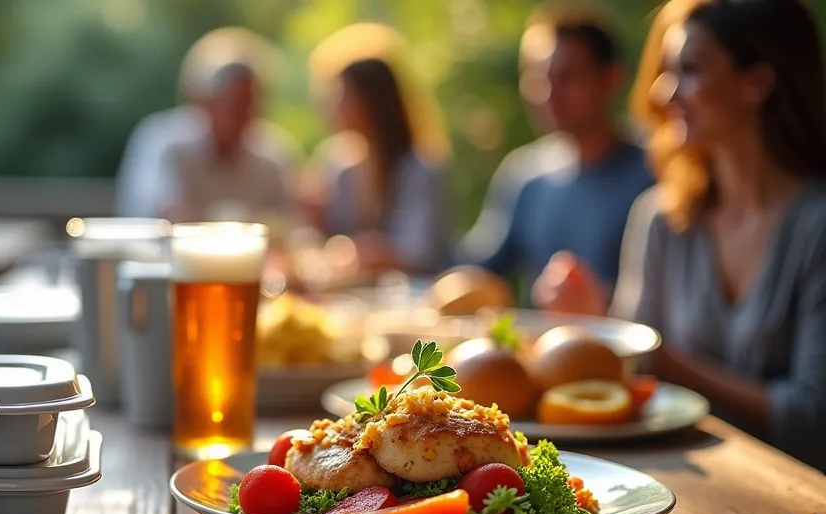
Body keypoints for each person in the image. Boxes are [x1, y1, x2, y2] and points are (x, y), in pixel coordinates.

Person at [533, 0, 826, 464]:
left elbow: (813, 419)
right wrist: (595, 319)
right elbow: (629, 381)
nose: (661, 94)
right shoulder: (661, 218)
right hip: (679, 484)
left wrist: (667, 361)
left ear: (758, 81)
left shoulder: (816, 228)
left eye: (688, 69)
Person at [456, 3, 655, 302]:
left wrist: (601, 302)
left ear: (610, 78)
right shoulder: (525, 175)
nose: (549, 94)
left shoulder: (653, 173)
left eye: (568, 76)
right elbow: (478, 270)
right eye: (539, 78)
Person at [114, 28, 298, 220]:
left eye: (253, 104)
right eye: (237, 104)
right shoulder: (164, 143)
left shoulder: (273, 155)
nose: (247, 115)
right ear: (204, 102)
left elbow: (290, 224)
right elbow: (153, 215)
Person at [302, 42, 453, 275]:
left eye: (343, 97)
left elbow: (418, 253)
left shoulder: (420, 168)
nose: (333, 107)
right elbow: (322, 242)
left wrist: (364, 252)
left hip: (418, 298)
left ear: (372, 103)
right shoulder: (339, 166)